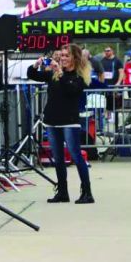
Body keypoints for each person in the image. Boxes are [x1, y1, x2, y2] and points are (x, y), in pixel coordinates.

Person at [27, 44, 93, 204]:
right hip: (52, 120)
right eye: (61, 55)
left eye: (66, 56)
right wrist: (35, 65)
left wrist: (60, 73)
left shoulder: (79, 76)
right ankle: (62, 192)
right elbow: (33, 75)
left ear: (74, 58)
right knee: (58, 158)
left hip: (69, 122)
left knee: (76, 155)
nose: (63, 58)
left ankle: (87, 192)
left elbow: (72, 90)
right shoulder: (54, 74)